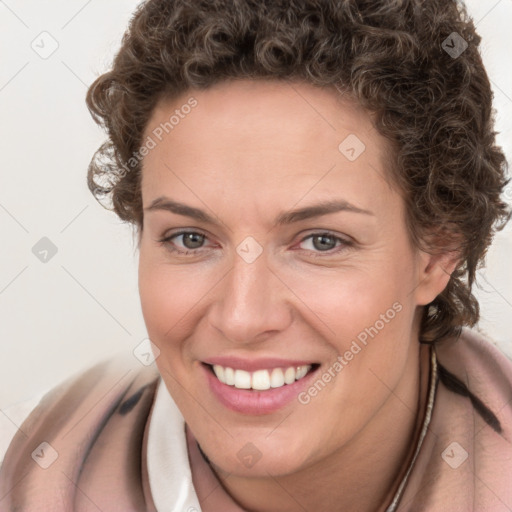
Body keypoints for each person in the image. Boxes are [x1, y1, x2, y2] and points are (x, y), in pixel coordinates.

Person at [1, 0, 511, 510]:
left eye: (321, 241)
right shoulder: (33, 477)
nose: (242, 318)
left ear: (437, 253)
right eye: (191, 239)